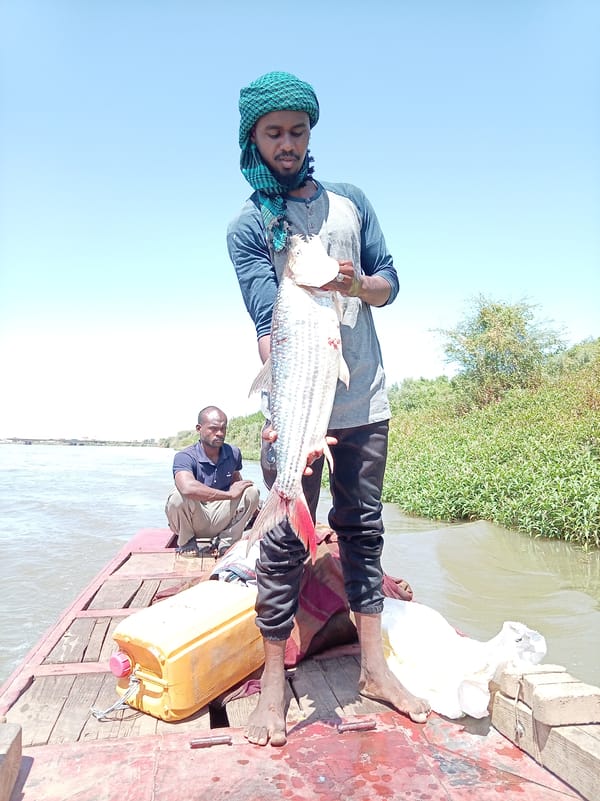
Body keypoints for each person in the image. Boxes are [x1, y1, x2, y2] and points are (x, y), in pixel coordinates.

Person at [226, 71, 431, 747]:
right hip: (297, 401)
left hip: (364, 396)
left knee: (364, 531)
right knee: (284, 542)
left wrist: (356, 285)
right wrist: (289, 411)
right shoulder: (250, 226)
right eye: (273, 132)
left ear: (311, 132)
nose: (288, 143)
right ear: (252, 138)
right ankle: (276, 689)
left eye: (298, 130)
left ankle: (374, 669)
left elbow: (389, 282)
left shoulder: (351, 203)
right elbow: (268, 322)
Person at [165, 406, 260, 557]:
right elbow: (187, 487)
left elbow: (237, 482)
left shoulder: (233, 453)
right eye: (213, 429)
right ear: (199, 428)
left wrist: (253, 510)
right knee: (177, 497)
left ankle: (226, 542)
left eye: (223, 428)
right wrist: (229, 495)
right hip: (195, 517)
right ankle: (187, 541)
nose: (220, 433)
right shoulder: (185, 456)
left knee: (252, 491)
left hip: (221, 516)